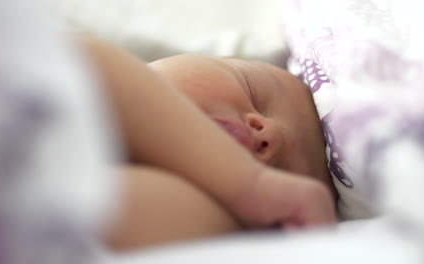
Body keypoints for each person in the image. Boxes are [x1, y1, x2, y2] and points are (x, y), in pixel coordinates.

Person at [76, 35, 337, 251]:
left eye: (285, 170)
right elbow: (89, 59)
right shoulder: (81, 91)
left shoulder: (203, 224)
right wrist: (251, 183)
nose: (271, 134)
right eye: (253, 92)